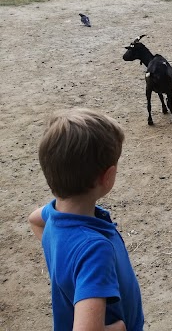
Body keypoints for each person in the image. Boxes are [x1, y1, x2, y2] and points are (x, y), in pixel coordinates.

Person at [28, 108, 144, 331]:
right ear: (107, 177)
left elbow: (34, 220)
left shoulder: (53, 215)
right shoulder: (94, 249)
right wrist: (118, 328)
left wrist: (62, 255)